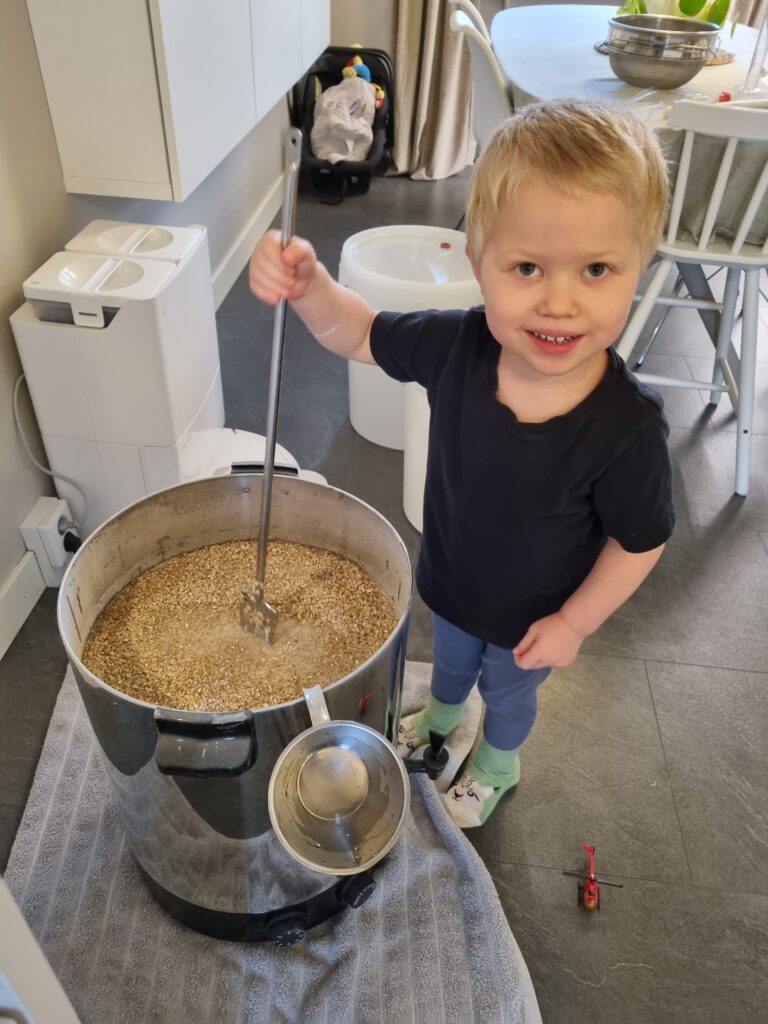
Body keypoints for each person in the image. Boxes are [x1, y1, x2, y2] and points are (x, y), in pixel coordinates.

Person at [249, 99, 674, 828]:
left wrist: (574, 623)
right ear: (477, 263)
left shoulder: (627, 427)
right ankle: (442, 717)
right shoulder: (457, 346)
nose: (561, 302)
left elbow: (640, 541)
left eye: (598, 269)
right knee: (447, 665)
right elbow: (358, 332)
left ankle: (497, 765)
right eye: (527, 267)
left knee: (507, 696)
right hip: (450, 580)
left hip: (535, 618)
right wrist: (311, 287)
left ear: (640, 267)